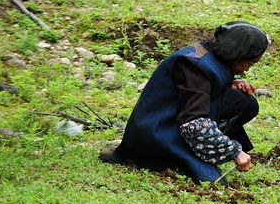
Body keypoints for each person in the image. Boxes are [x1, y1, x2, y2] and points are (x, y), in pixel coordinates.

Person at [107, 21, 270, 183]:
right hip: (157, 133)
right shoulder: (194, 65)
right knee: (212, 181)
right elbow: (194, 124)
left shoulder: (206, 51)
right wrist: (233, 151)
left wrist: (227, 84)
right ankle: (179, 155)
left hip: (176, 120)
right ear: (236, 53)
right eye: (250, 62)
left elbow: (201, 88)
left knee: (244, 102)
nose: (248, 68)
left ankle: (204, 148)